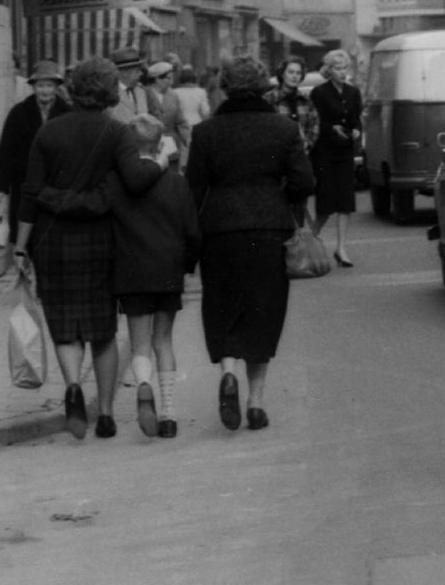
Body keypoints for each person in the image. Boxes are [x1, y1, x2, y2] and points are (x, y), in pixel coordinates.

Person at [19, 56, 164, 443]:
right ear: (110, 91)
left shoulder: (48, 132)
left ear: (74, 88)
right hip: (101, 239)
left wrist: (19, 248)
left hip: (52, 242)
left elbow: (30, 193)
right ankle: (106, 413)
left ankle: (72, 387)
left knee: (65, 327)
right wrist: (159, 164)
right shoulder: (117, 132)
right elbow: (134, 181)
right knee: (102, 331)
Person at [185, 53, 316, 433]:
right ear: (263, 85)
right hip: (268, 229)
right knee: (263, 311)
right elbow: (305, 182)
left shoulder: (206, 132)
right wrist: (277, 196)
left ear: (225, 86)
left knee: (223, 306)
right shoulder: (283, 129)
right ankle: (256, 403)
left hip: (220, 231)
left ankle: (228, 373)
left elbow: (193, 191)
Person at [110, 123, 200, 438]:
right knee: (164, 340)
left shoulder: (116, 183)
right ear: (159, 144)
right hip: (167, 270)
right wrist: (186, 267)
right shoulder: (176, 182)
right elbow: (192, 232)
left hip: (131, 271)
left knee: (140, 344)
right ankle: (169, 414)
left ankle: (143, 384)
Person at [0, 60, 65, 243]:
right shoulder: (19, 113)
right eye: (40, 86)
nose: (45, 91)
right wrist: (1, 189)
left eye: (49, 85)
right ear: (33, 87)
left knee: (52, 237)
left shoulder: (67, 113)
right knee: (24, 240)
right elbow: (6, 152)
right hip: (24, 186)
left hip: (56, 187)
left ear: (56, 87)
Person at [308, 48, 363, 267]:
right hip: (325, 152)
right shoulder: (319, 92)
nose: (342, 72)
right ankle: (309, 242)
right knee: (326, 203)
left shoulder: (353, 92)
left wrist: (356, 130)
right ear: (329, 70)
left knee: (345, 202)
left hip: (345, 151)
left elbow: (356, 119)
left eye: (345, 68)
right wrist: (332, 129)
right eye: (338, 68)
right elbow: (315, 122)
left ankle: (341, 248)